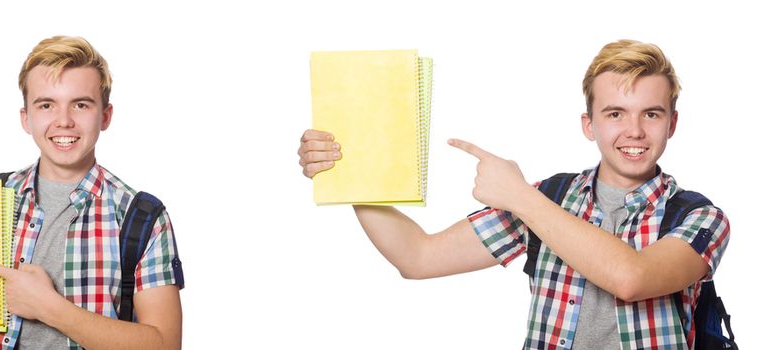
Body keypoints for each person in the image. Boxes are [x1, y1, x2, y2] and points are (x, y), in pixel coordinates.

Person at [297, 39, 730, 349]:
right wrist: (349, 173)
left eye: (651, 114)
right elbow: (417, 257)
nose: (634, 131)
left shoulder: (699, 217)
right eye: (615, 113)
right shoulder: (551, 198)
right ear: (589, 124)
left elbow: (631, 279)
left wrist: (519, 196)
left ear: (671, 123)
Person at [0, 36, 184, 350]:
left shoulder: (142, 217)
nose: (63, 121)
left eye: (80, 104)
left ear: (105, 116)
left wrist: (48, 307)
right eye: (46, 105)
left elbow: (164, 344)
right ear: (26, 118)